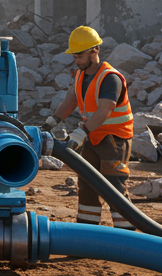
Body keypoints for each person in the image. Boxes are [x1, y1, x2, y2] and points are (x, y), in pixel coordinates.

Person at [54, 25, 135, 230]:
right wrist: (51, 122)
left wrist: (81, 132)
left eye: (80, 55)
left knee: (114, 187)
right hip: (92, 137)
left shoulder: (110, 78)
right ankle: (86, 233)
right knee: (87, 185)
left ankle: (128, 237)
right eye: (74, 56)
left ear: (95, 50)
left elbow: (105, 110)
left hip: (114, 140)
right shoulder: (81, 75)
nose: (77, 60)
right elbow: (71, 100)